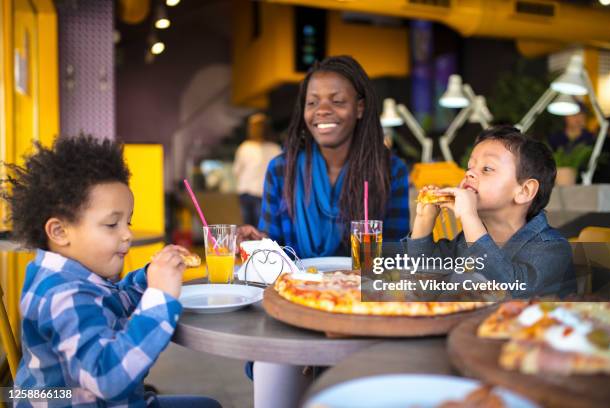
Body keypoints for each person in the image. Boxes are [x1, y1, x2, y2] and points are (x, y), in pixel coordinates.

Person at [1, 136, 221, 408]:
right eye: (111, 224)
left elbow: (114, 301)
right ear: (59, 231)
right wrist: (160, 297)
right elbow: (108, 379)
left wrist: (149, 276)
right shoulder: (62, 295)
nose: (127, 234)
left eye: (127, 221)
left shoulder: (73, 275)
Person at [238, 55, 410, 258]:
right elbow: (273, 248)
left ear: (360, 108)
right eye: (312, 102)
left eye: (337, 101)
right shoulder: (281, 169)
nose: (322, 110)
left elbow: (396, 255)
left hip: (364, 289)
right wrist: (256, 243)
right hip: (294, 288)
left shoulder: (390, 170)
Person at [405, 126, 575, 297]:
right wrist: (424, 221)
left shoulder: (552, 249)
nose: (469, 173)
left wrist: (469, 217)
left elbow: (507, 292)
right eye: (469, 167)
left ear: (525, 191)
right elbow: (423, 287)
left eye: (487, 169)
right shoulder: (465, 242)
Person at [233, 113, 282, 225]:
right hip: (264, 193)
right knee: (262, 230)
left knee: (248, 230)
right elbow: (280, 175)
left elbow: (236, 171)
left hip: (246, 192)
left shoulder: (245, 147)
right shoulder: (275, 149)